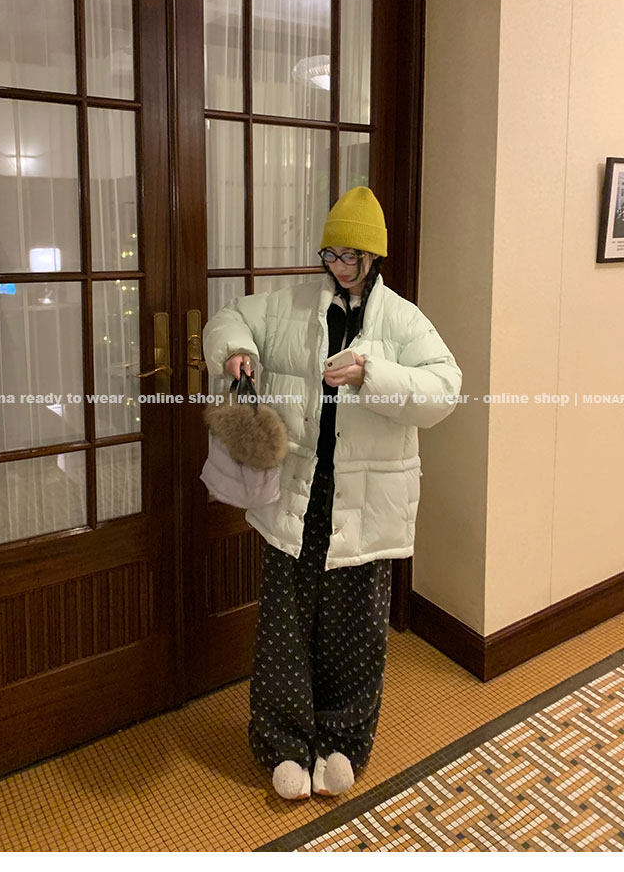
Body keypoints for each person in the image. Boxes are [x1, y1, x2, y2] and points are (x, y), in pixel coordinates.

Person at [203, 187, 462, 801]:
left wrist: (373, 374)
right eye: (331, 254)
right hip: (297, 495)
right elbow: (227, 317)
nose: (340, 266)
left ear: (374, 257)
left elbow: (445, 390)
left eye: (352, 256)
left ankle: (344, 742)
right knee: (284, 626)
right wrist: (236, 352)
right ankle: (282, 743)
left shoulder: (402, 320)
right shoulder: (291, 304)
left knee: (357, 629)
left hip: (368, 504)